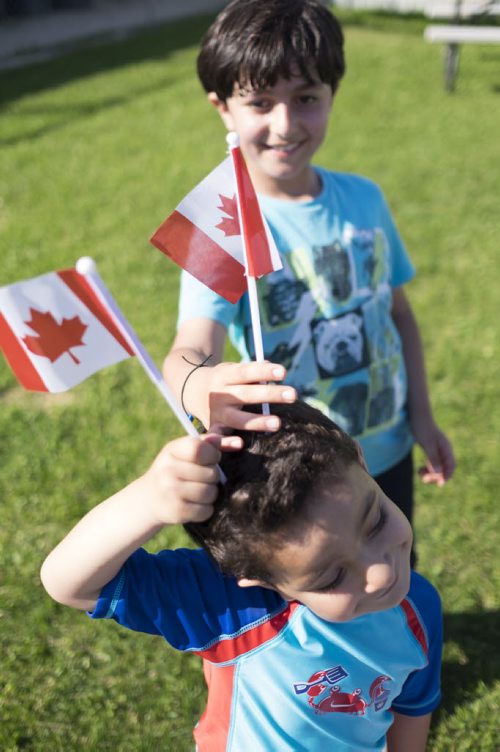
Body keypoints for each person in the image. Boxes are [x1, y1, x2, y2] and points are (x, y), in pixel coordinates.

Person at [161, 0, 455, 564]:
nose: (285, 125)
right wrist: (198, 385)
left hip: (387, 448)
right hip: (301, 471)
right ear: (222, 108)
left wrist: (421, 415)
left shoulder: (364, 199)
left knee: (394, 570)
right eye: (260, 103)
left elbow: (400, 314)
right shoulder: (222, 227)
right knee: (327, 599)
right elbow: (189, 350)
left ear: (331, 96)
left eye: (306, 99)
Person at [40, 401, 442, 751]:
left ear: (362, 462)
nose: (379, 574)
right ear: (259, 579)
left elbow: (412, 707)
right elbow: (69, 583)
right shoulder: (233, 608)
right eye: (331, 576)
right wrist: (147, 501)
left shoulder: (419, 606)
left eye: (375, 522)